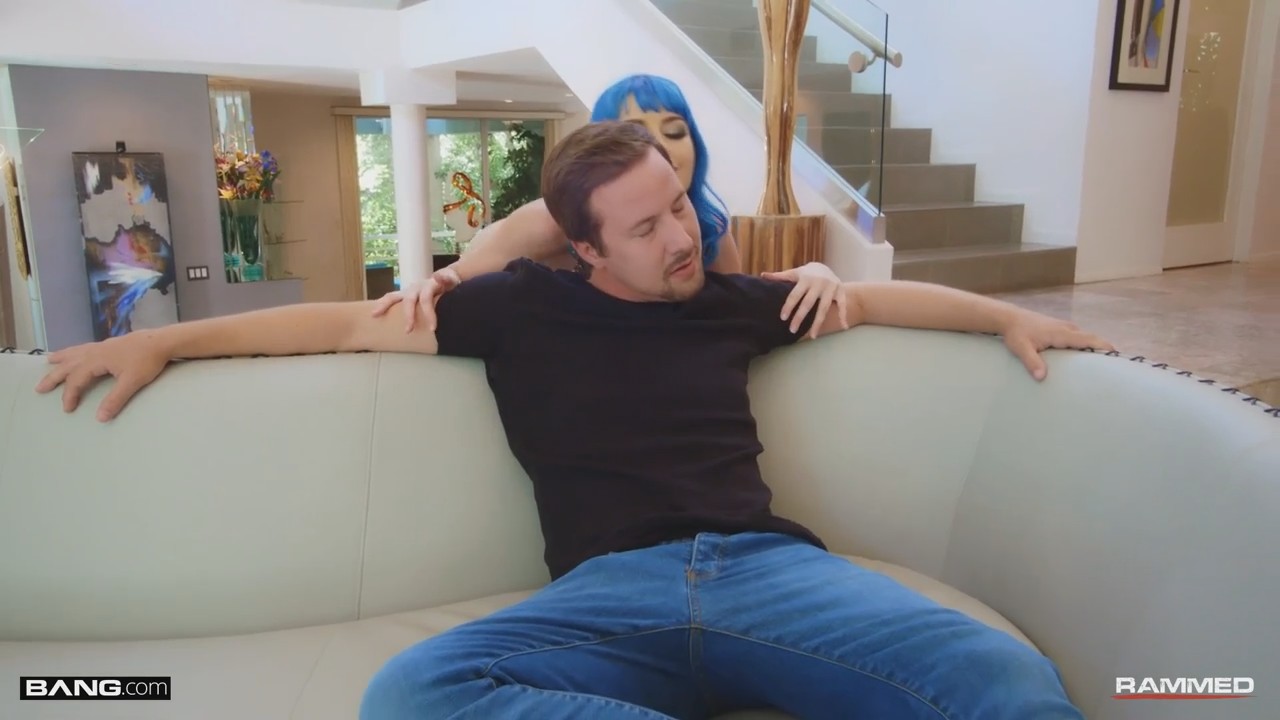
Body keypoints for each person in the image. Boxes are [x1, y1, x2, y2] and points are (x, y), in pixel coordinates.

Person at [36, 121, 1111, 719]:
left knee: (1002, 679)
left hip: (767, 575)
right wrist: (166, 339)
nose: (679, 238)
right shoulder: (514, 308)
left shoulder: (730, 301)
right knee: (413, 694)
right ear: (584, 248)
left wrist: (1005, 318)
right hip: (608, 598)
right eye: (643, 229)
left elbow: (873, 303)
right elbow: (344, 325)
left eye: (679, 205)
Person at [377, 73, 848, 339]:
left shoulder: (709, 226)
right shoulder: (547, 222)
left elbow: (732, 317)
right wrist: (434, 282)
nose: (661, 148)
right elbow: (464, 272)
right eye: (637, 134)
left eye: (675, 130)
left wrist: (817, 275)